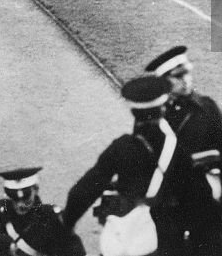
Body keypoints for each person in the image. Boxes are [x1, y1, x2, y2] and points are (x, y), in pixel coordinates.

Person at [62, 76, 192, 256]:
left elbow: (83, 191)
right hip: (165, 244)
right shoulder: (178, 149)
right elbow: (198, 198)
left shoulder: (122, 147)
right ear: (163, 108)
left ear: (134, 112)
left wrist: (68, 223)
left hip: (123, 241)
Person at [145, 46, 222, 256]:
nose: (186, 79)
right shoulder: (151, 116)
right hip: (168, 208)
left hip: (204, 205)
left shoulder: (207, 108)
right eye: (178, 76)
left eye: (187, 72)